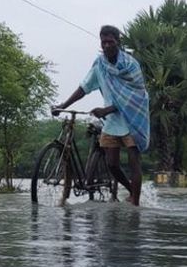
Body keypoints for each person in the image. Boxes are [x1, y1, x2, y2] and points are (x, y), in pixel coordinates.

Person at [53, 25, 150, 206]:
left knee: (134, 163)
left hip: (132, 121)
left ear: (118, 42)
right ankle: (130, 190)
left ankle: (136, 205)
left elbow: (136, 97)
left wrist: (105, 110)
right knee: (112, 164)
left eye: (110, 42)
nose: (106, 45)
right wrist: (63, 105)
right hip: (112, 123)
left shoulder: (131, 65)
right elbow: (84, 87)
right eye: (103, 42)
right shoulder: (100, 65)